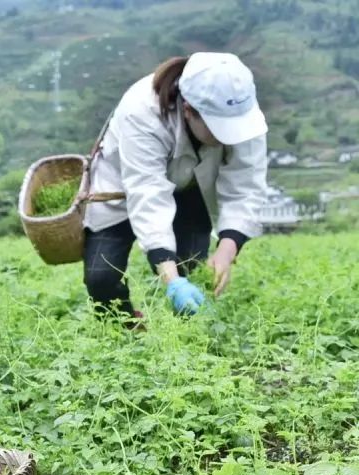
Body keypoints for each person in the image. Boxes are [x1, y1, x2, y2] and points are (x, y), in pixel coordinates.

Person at [82, 52, 268, 319]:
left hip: (190, 188)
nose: (229, 138)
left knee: (189, 267)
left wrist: (226, 250)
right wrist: (172, 280)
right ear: (188, 110)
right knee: (101, 278)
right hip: (120, 188)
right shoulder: (142, 110)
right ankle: (123, 331)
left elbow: (246, 184)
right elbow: (147, 191)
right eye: (219, 129)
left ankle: (186, 337)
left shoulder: (241, 111)